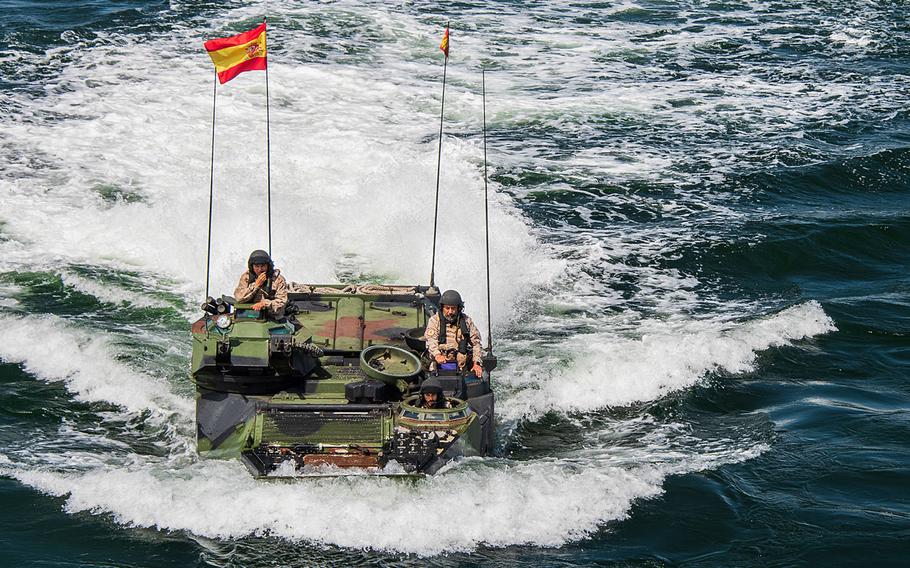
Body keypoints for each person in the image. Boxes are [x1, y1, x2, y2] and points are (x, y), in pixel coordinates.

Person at [425, 289, 483, 378]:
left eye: (453, 308)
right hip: (439, 365)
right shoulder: (434, 321)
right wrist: (437, 355)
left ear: (459, 308)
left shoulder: (466, 321)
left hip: (461, 367)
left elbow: (476, 343)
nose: (450, 312)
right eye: (447, 308)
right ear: (442, 308)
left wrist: (476, 363)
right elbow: (431, 340)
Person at [233, 249, 288, 319]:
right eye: (256, 266)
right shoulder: (246, 278)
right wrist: (256, 285)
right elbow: (239, 297)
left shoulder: (278, 279)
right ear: (252, 266)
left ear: (268, 266)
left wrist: (264, 304)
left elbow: (282, 302)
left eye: (263, 266)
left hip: (272, 318)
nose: (260, 269)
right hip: (250, 316)